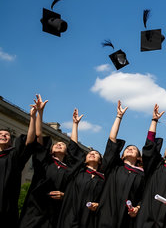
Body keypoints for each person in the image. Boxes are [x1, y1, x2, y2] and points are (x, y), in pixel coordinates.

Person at [20, 96, 86, 228]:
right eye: (56, 144)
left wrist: (75, 125)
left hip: (56, 213)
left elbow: (73, 146)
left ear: (67, 152)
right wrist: (40, 112)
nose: (59, 145)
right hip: (35, 210)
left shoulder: (69, 169)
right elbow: (39, 135)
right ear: (50, 150)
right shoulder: (45, 162)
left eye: (62, 144)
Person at [96, 101, 145, 228]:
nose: (130, 149)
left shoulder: (142, 175)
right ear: (122, 156)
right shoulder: (114, 168)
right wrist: (119, 117)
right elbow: (112, 141)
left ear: (139, 157)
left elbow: (143, 195)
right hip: (107, 214)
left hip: (127, 218)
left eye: (134, 149)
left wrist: (137, 208)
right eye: (127, 148)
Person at [57, 109, 105, 228]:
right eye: (89, 153)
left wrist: (98, 205)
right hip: (70, 217)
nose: (92, 153)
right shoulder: (77, 172)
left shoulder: (103, 179)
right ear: (84, 159)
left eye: (96, 153)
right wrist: (75, 124)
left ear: (100, 161)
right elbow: (73, 148)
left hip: (90, 219)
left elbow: (105, 199)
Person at [0, 96, 38, 227]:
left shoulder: (13, 156)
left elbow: (29, 141)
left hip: (6, 209)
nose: (3, 135)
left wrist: (32, 117)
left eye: (7, 134)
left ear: (11, 141)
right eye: (0, 134)